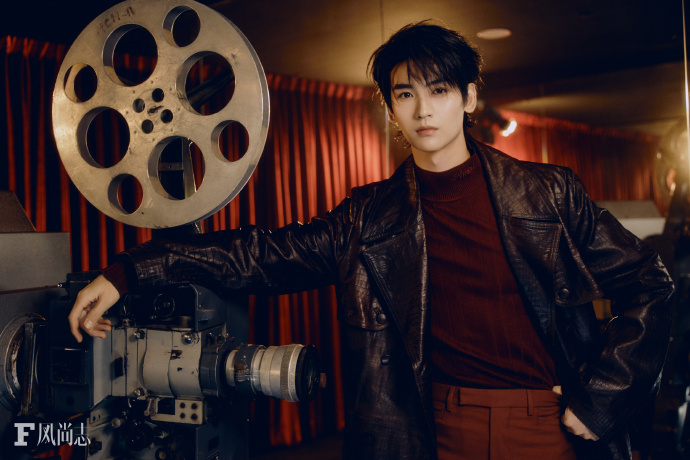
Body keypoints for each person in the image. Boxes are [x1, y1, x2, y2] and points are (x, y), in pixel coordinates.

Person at [68, 21, 674, 460]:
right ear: (390, 107)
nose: (423, 110)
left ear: (469, 97)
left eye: (440, 90)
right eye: (406, 94)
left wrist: (602, 397)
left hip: (544, 423)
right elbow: (260, 256)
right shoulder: (368, 216)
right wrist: (129, 271)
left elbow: (650, 284)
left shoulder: (548, 193)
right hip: (432, 427)